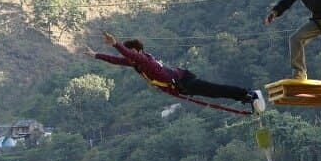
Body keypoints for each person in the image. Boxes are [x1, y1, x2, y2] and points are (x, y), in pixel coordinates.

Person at [88, 31, 265, 113]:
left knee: (215, 90)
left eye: (132, 53)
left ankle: (249, 94)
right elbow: (117, 60)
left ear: (138, 51)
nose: (130, 57)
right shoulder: (137, 64)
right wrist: (96, 55)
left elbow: (124, 54)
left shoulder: (144, 61)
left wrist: (115, 44)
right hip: (182, 86)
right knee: (215, 93)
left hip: (184, 81)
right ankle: (245, 96)